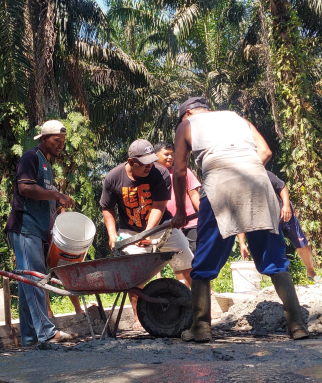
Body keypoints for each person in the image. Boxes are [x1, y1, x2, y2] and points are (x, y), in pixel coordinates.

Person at [171, 96, 309, 342]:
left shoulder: (187, 125)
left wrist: (181, 211)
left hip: (219, 188)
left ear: (188, 113)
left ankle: (201, 327)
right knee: (274, 259)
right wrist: (246, 170)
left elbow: (180, 171)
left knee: (204, 261)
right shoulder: (237, 118)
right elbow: (265, 151)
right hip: (258, 183)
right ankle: (297, 325)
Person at [100, 139, 195, 329]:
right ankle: (139, 320)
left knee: (186, 264)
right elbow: (107, 208)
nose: (148, 167)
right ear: (131, 161)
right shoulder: (113, 178)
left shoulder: (159, 173)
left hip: (162, 227)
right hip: (129, 231)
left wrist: (148, 232)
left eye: (151, 162)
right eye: (143, 164)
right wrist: (112, 234)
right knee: (135, 277)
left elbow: (159, 206)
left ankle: (191, 312)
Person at [5, 120, 75, 345]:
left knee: (29, 281)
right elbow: (25, 188)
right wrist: (56, 196)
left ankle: (29, 337)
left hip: (38, 230)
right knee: (34, 280)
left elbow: (43, 195)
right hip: (25, 227)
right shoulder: (31, 157)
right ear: (44, 138)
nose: (60, 145)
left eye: (63, 142)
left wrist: (57, 206)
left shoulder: (47, 164)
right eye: (56, 141)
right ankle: (46, 332)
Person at [237, 171, 322, 283]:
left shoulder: (263, 173)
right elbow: (240, 217)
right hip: (267, 222)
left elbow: (282, 187)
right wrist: (242, 243)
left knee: (301, 243)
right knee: (272, 251)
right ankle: (279, 280)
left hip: (284, 214)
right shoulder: (238, 188)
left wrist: (286, 205)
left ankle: (311, 271)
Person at [154, 142, 201, 253]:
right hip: (166, 226)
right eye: (166, 154)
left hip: (189, 222)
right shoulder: (152, 176)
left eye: (172, 154)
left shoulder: (182, 172)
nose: (170, 157)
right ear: (155, 156)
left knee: (198, 253)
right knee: (176, 259)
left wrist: (204, 213)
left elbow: (193, 194)